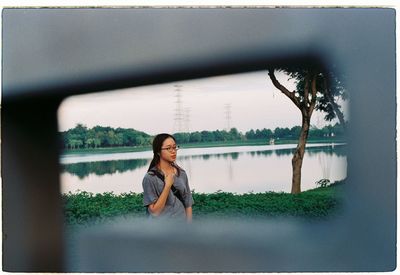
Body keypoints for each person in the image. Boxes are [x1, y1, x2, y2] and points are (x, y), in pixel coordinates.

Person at [142, 133, 193, 222]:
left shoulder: (181, 173)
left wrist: (188, 229)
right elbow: (154, 212)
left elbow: (188, 203)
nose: (173, 151)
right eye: (168, 148)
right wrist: (167, 186)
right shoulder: (150, 178)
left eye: (174, 147)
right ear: (158, 151)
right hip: (160, 231)